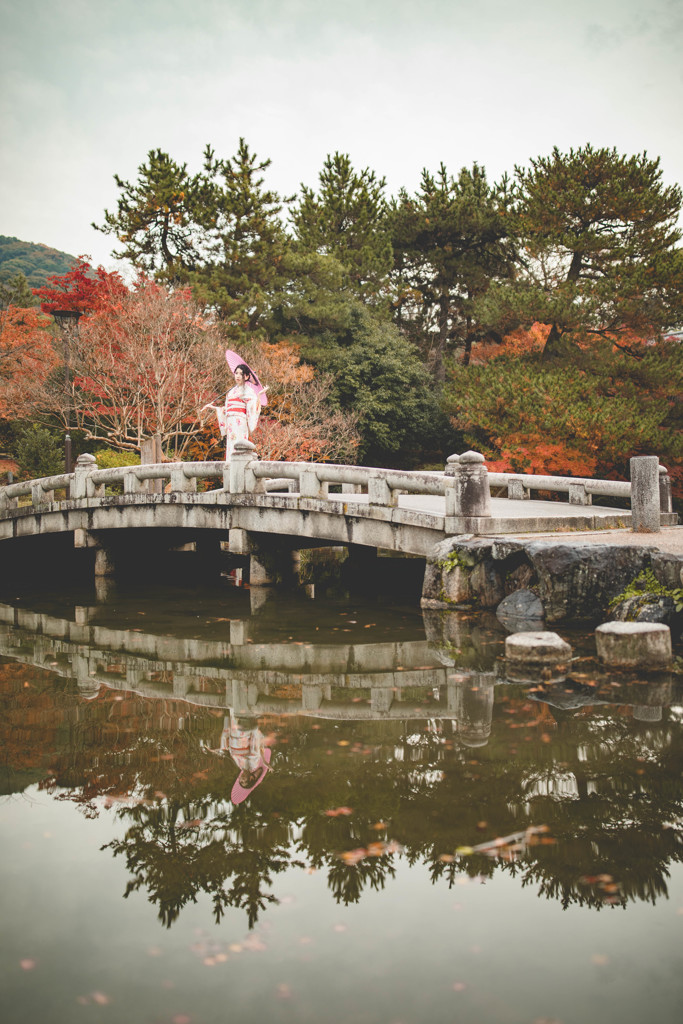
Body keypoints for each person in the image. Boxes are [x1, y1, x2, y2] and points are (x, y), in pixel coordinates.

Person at [202, 363, 264, 461]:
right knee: (231, 444)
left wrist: (259, 395)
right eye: (236, 373)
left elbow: (253, 407)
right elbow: (227, 409)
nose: (238, 376)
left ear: (247, 376)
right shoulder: (231, 391)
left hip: (240, 421)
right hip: (231, 421)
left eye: (241, 374)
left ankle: (239, 465)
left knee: (239, 443)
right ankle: (230, 466)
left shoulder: (248, 391)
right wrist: (214, 408)